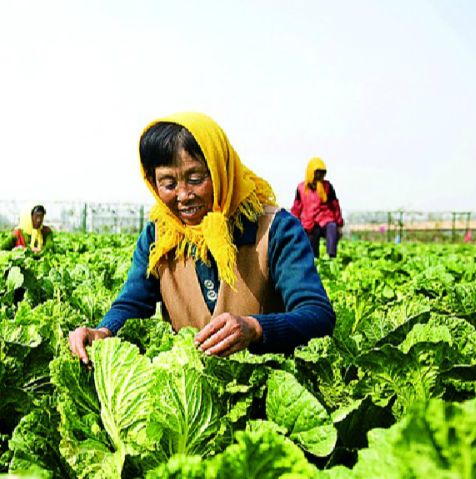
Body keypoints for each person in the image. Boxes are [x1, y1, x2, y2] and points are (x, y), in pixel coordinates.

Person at [68, 112, 335, 361]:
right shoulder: (158, 236)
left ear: (220, 171)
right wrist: (103, 332)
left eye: (195, 179)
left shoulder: (275, 229)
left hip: (266, 389)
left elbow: (317, 314)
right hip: (189, 387)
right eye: (169, 184)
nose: (183, 196)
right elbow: (132, 302)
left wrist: (256, 328)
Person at [291, 158, 344, 258]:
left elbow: (335, 206)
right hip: (309, 222)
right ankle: (315, 261)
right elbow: (296, 208)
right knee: (312, 248)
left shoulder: (327, 187)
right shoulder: (301, 188)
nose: (319, 175)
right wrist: (293, 224)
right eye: (317, 173)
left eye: (322, 173)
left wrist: (339, 224)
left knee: (332, 227)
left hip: (325, 219)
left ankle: (331, 256)